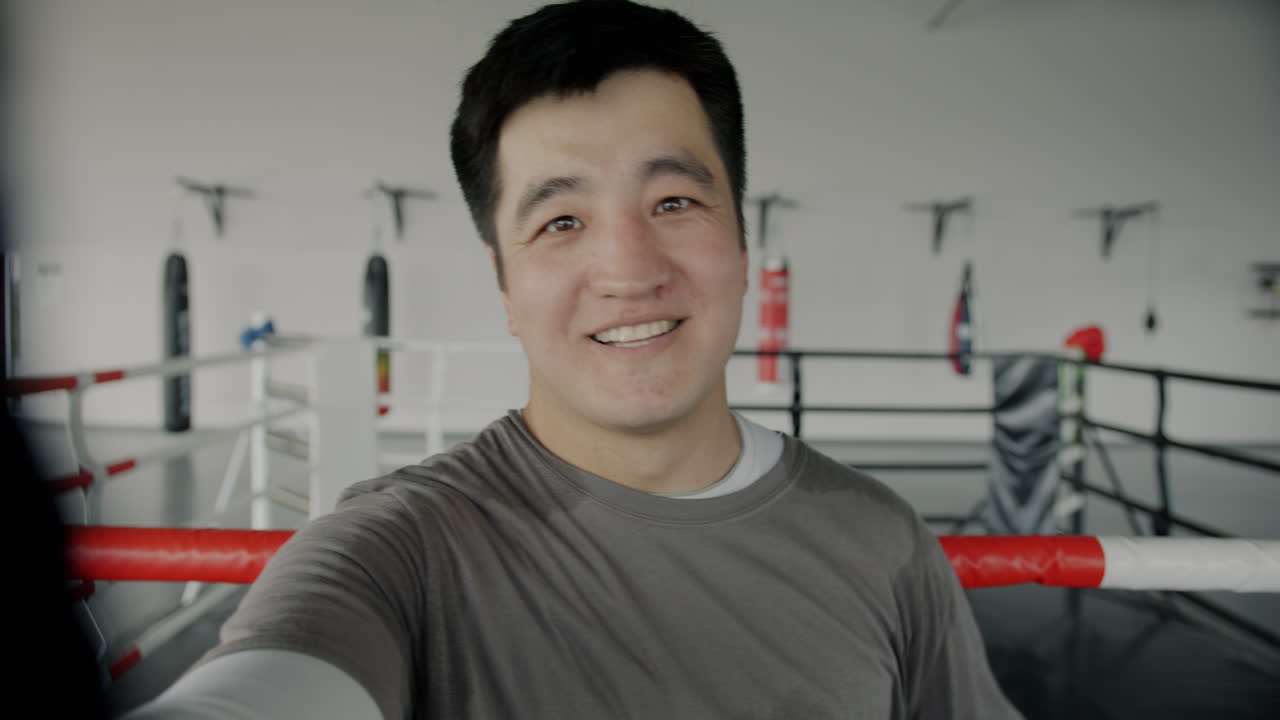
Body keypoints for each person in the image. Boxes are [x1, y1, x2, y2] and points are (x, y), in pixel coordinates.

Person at [129, 1, 1022, 718]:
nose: (630, 269)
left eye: (674, 201)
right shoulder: (398, 555)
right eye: (561, 221)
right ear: (504, 280)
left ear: (742, 242)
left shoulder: (879, 538)